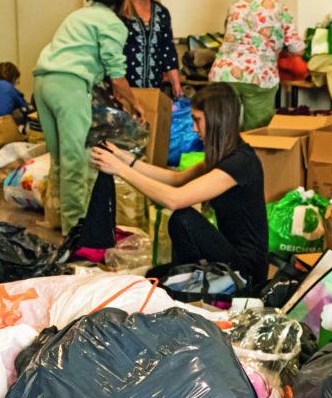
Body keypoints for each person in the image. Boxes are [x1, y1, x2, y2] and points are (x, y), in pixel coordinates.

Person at [90, 83, 268, 285]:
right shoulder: (225, 157)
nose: (193, 128)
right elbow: (176, 179)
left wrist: (120, 170)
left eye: (197, 120)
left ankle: (195, 281)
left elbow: (174, 199)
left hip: (248, 272)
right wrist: (125, 159)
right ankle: (189, 278)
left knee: (183, 218)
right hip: (231, 256)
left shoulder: (240, 163)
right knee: (154, 275)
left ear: (217, 120)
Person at [34, 0, 145, 235]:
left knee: (60, 158)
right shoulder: (113, 23)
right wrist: (135, 103)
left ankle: (58, 217)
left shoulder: (77, 15)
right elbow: (117, 77)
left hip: (42, 83)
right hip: (69, 86)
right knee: (75, 161)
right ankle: (76, 232)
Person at [209, 0, 304, 131]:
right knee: (257, 135)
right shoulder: (279, 9)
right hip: (258, 75)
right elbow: (297, 49)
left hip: (223, 74)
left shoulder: (235, 5)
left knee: (223, 132)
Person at [121, 0, 182, 98]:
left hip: (154, 87)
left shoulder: (161, 12)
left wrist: (176, 83)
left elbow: (169, 51)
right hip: (125, 87)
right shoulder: (121, 10)